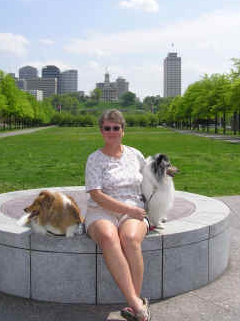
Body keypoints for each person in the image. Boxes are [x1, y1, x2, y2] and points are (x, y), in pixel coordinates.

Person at [84, 109, 151, 321]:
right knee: (108, 237)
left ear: (123, 130)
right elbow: (96, 194)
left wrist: (148, 211)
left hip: (133, 207)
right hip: (101, 210)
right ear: (101, 131)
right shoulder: (94, 159)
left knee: (130, 238)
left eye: (116, 128)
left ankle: (135, 304)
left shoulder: (136, 154)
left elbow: (149, 181)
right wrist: (129, 210)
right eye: (107, 128)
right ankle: (136, 303)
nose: (111, 132)